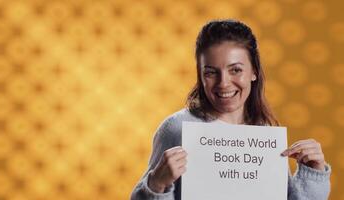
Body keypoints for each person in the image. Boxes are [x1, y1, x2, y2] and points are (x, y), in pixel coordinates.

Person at [131, 19, 331, 200]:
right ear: (200, 75)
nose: (223, 83)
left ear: (254, 72)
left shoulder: (264, 135)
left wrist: (313, 175)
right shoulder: (177, 128)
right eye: (211, 72)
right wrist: (156, 185)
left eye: (235, 70)